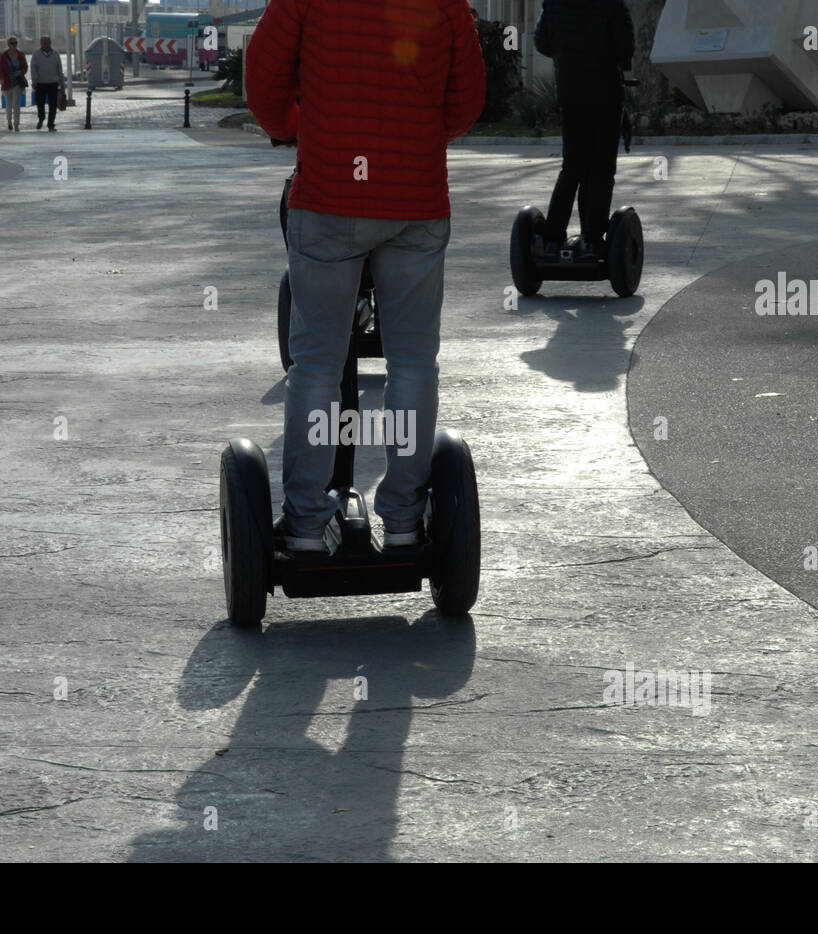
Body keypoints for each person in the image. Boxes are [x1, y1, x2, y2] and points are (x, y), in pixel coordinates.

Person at [245, 0, 486, 553]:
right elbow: (468, 98)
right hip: (415, 202)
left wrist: (295, 128)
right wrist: (416, 139)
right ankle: (404, 519)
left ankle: (306, 523)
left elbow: (263, 81)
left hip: (330, 198)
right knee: (413, 362)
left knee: (317, 367)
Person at [534, 0, 635, 261]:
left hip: (570, 90)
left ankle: (552, 241)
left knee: (572, 166)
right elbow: (626, 47)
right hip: (604, 92)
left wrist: (568, 54)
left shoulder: (553, 4)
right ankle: (591, 240)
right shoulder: (612, 4)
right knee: (601, 168)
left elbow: (542, 43)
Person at [30, 35, 66, 132]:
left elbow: (59, 70)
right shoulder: (36, 54)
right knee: (40, 104)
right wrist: (34, 80)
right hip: (40, 83)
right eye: (44, 43)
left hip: (53, 83)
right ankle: (41, 118)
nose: (46, 45)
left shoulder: (55, 54)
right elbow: (33, 68)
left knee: (53, 105)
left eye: (48, 43)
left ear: (50, 43)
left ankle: (51, 124)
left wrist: (62, 84)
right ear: (41, 43)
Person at [0, 36, 28, 131]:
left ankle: (16, 124)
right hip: (7, 83)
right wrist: (1, 79)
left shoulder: (21, 54)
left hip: (18, 83)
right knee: (9, 104)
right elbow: (0, 69)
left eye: (16, 43)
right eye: (12, 43)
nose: (14, 45)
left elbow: (25, 66)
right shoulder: (3, 56)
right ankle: (9, 121)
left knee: (16, 104)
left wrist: (21, 72)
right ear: (8, 45)